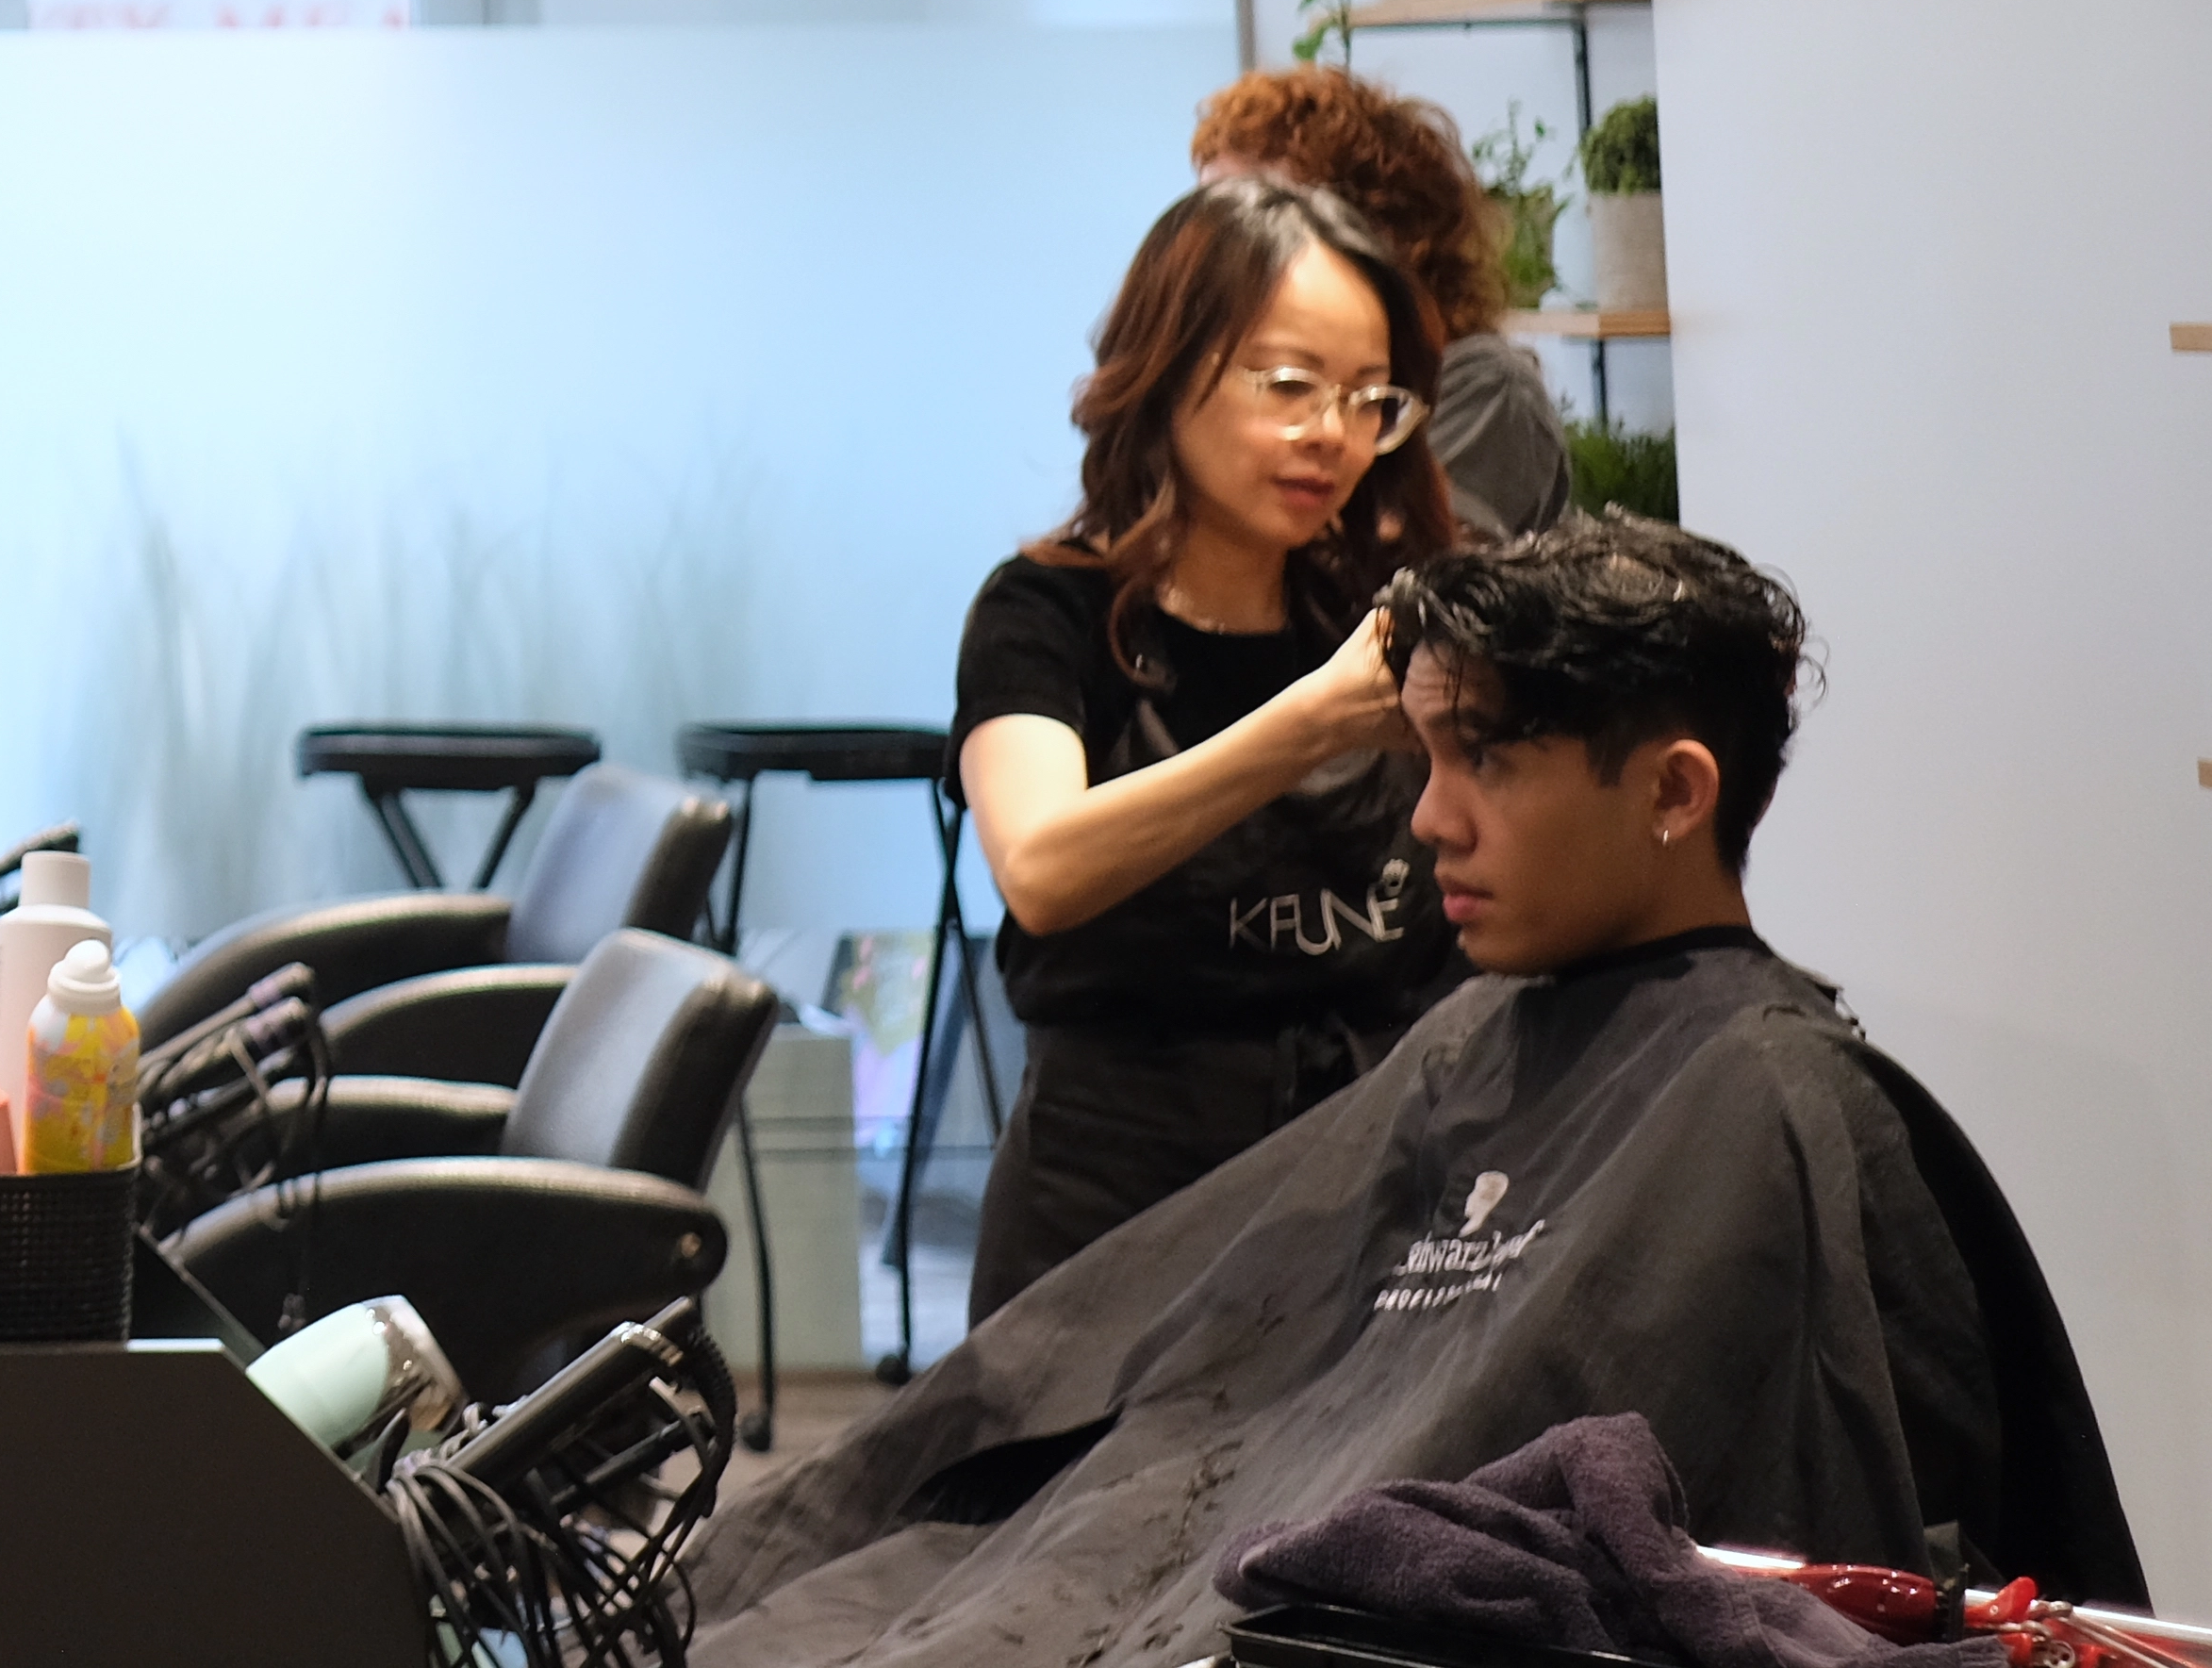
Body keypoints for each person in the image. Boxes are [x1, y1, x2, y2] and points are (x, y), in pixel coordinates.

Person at [702, 520, 2135, 1668]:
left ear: (1676, 791)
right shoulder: (1480, 1039)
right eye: (1430, 754)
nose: (1430, 814)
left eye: (1489, 762)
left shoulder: (1774, 1104)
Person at [951, 176, 1462, 1317]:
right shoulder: (1046, 612)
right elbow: (1041, 866)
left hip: (1358, 1208)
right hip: (1109, 1230)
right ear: (1170, 369)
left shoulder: (1374, 617)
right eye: (1288, 384)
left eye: (1367, 397)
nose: (1331, 433)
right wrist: (1309, 723)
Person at [1194, 63, 1575, 541]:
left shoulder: (1482, 385)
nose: (1217, 258)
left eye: (1258, 220)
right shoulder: (1219, 380)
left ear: (1367, 226)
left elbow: (1402, 582)